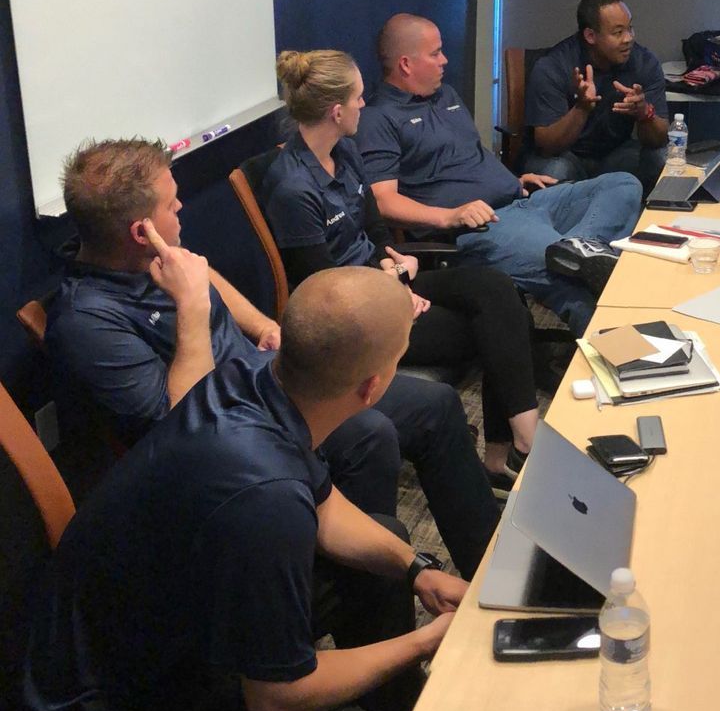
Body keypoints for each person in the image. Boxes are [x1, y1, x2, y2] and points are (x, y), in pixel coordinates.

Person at [26, 268, 465, 711]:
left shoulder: (252, 380)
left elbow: (327, 507)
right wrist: (425, 643)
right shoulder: (265, 498)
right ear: (373, 387)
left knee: (383, 548)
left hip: (167, 626)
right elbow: (276, 701)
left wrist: (417, 569)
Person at [42, 139, 499, 578]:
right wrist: (192, 306)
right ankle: (342, 575)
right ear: (141, 232)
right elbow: (183, 425)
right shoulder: (87, 322)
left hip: (270, 379)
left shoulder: (152, 255)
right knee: (369, 433)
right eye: (171, 203)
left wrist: (263, 326)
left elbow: (204, 274)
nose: (181, 207)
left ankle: (489, 570)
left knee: (437, 405)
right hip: (234, 434)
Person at [264, 49, 543, 483]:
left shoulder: (344, 150)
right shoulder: (293, 189)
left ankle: (515, 444)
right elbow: (322, 286)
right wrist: (392, 291)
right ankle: (514, 448)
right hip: (352, 318)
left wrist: (388, 259)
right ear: (336, 112)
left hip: (384, 281)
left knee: (495, 288)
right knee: (501, 326)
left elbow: (373, 226)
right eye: (357, 98)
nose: (364, 104)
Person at [358, 13, 643, 335]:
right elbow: (382, 201)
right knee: (573, 280)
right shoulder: (378, 118)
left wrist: (512, 180)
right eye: (435, 53)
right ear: (406, 64)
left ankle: (578, 247)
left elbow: (469, 157)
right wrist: (449, 216)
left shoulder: (446, 96)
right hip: (485, 226)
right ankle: (623, 349)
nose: (444, 60)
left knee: (623, 184)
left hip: (525, 200)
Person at [524, 0, 669, 194]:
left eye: (630, 29)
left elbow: (659, 139)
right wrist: (581, 108)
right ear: (590, 35)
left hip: (616, 155)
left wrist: (644, 113)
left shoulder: (644, 62)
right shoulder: (553, 66)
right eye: (618, 32)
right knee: (554, 171)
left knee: (661, 158)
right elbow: (547, 146)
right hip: (567, 156)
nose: (628, 39)